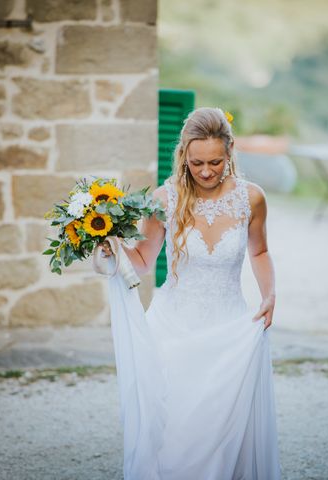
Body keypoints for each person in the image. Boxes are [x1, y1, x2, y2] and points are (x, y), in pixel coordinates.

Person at [96, 107, 282, 480]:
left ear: (230, 151)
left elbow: (258, 252)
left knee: (221, 433)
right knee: (174, 429)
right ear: (184, 156)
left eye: (215, 161)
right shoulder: (164, 199)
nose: (207, 171)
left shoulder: (252, 198)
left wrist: (269, 294)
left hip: (230, 332)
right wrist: (111, 251)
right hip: (172, 329)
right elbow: (144, 260)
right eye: (197, 163)